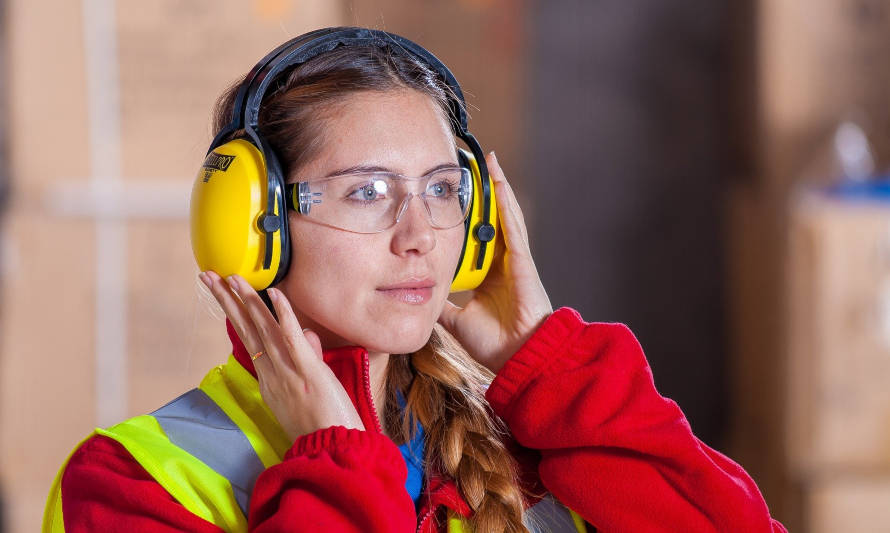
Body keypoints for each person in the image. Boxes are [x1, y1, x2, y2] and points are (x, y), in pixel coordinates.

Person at [43, 27, 786, 532]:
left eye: (440, 189)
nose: (420, 234)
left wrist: (553, 363)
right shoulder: (128, 483)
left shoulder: (542, 447)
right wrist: (332, 462)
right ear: (251, 226)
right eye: (367, 192)